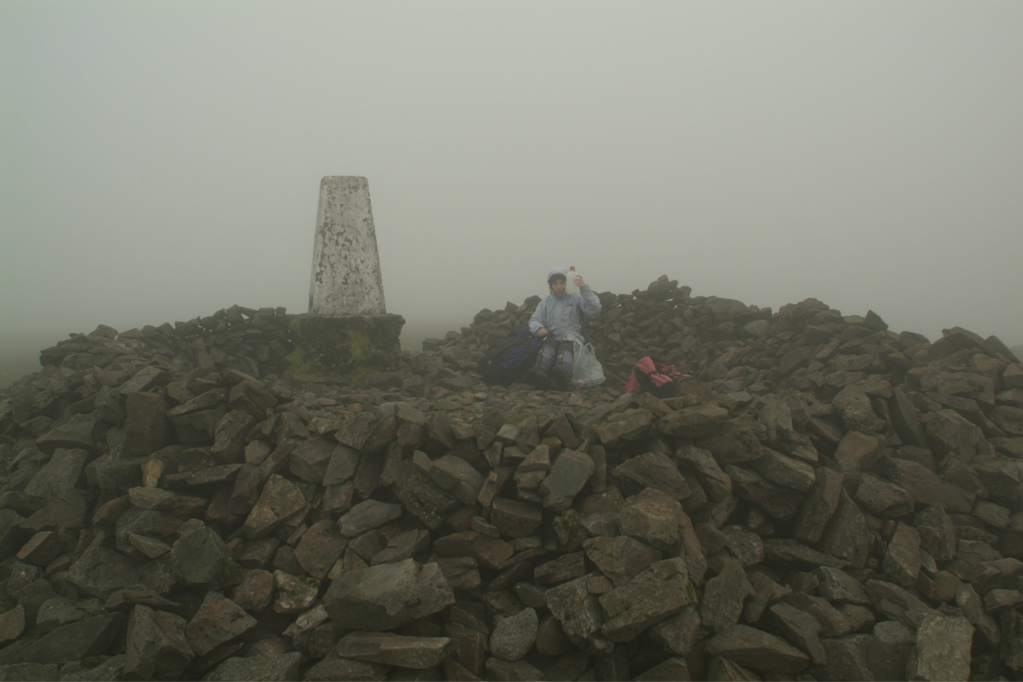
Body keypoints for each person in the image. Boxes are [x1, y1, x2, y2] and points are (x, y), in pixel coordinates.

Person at [527, 268, 601, 390]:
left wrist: (584, 289)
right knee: (547, 350)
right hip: (552, 337)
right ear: (551, 286)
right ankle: (539, 373)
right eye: (555, 284)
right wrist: (538, 329)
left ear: (567, 283)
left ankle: (562, 374)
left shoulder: (576, 298)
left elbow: (595, 308)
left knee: (566, 350)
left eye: (562, 283)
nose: (559, 287)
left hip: (572, 338)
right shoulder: (546, 302)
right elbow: (534, 319)